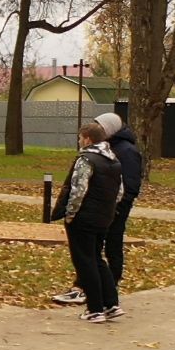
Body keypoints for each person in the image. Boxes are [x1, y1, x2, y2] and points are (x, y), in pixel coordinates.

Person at [55, 111, 142, 306]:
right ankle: (100, 295)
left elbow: (125, 186)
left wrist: (72, 212)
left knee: (102, 252)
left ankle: (100, 297)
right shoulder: (107, 151)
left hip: (108, 210)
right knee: (94, 254)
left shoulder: (124, 152)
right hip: (104, 209)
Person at [51, 121, 124, 322]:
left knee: (85, 262)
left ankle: (95, 308)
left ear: (88, 138)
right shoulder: (114, 161)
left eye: (80, 138)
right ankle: (111, 303)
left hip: (84, 218)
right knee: (98, 259)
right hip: (104, 217)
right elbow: (119, 192)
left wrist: (70, 213)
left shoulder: (86, 160)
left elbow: (78, 190)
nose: (79, 141)